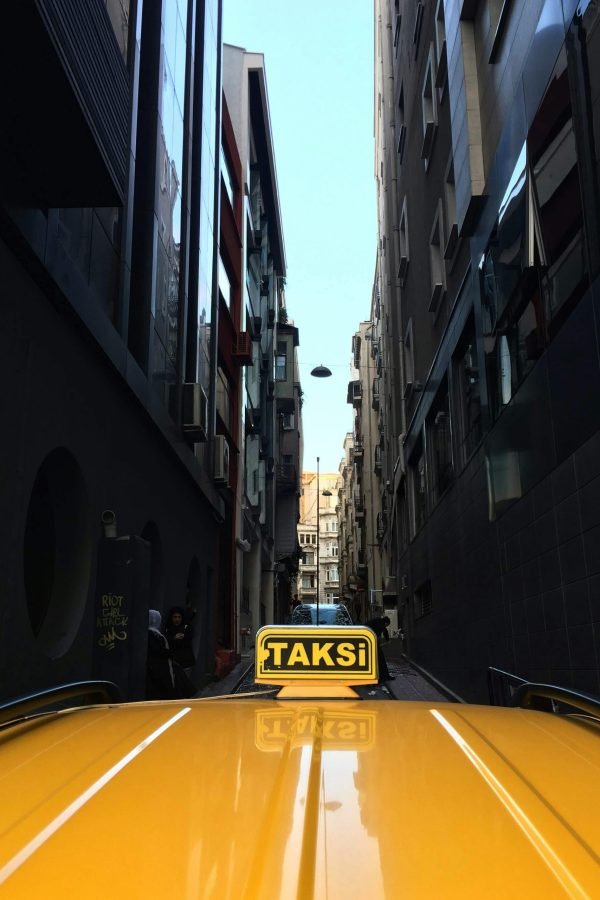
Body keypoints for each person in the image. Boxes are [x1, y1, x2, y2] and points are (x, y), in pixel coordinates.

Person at [146, 609, 176, 699]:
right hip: (158, 667)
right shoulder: (153, 635)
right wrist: (170, 653)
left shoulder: (153, 634)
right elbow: (158, 650)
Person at [366, 615, 395, 683]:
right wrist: (387, 640)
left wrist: (387, 639)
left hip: (368, 641)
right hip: (370, 642)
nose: (385, 627)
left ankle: (383, 676)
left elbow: (384, 630)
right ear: (386, 623)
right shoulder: (380, 625)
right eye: (386, 625)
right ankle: (382, 676)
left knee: (379, 659)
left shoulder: (378, 621)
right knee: (380, 659)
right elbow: (383, 630)